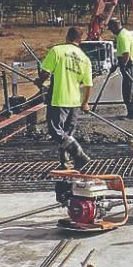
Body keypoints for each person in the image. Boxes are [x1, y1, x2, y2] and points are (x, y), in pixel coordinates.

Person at [37, 26, 93, 169]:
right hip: (74, 101)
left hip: (58, 98)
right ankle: (66, 162)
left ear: (67, 37)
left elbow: (45, 72)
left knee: (56, 131)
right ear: (80, 40)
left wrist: (39, 81)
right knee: (67, 134)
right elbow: (88, 84)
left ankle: (78, 153)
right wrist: (85, 103)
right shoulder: (84, 59)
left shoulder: (57, 50)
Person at [107, 18, 133, 119]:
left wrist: (122, 65)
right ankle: (131, 112)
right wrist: (117, 65)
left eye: (111, 28)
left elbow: (126, 54)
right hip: (131, 64)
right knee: (128, 88)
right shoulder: (125, 33)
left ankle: (132, 114)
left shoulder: (122, 36)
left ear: (114, 26)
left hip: (130, 65)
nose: (111, 31)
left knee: (129, 89)